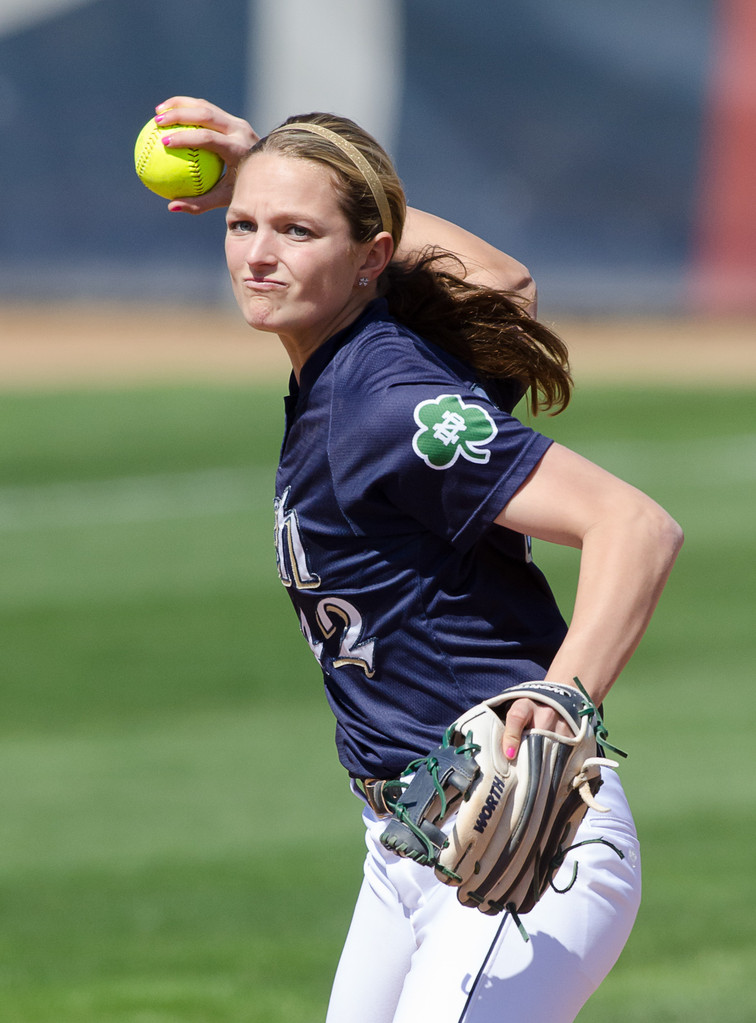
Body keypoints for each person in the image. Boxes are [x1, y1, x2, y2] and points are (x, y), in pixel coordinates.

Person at [153, 96, 683, 1023]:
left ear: (369, 257)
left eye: (295, 230)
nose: (258, 254)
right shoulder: (351, 359)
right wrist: (272, 164)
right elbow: (501, 280)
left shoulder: (381, 397)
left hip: (514, 839)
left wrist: (564, 704)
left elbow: (634, 526)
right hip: (405, 845)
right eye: (243, 224)